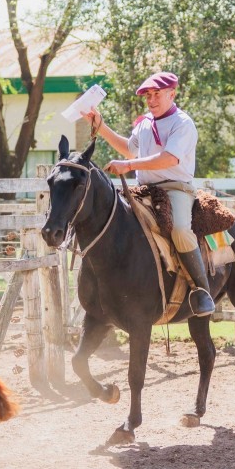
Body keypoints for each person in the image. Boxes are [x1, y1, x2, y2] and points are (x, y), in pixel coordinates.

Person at [83, 71, 216, 317]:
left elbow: (169, 158)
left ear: (172, 94)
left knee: (180, 231)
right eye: (148, 96)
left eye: (157, 94)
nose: (151, 100)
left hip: (176, 188)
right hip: (144, 190)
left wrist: (130, 166)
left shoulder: (182, 123)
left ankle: (201, 290)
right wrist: (99, 125)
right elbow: (129, 149)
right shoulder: (145, 123)